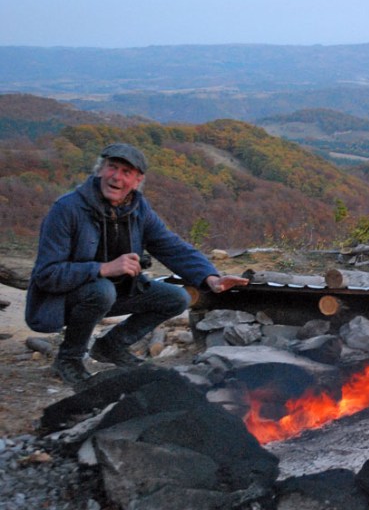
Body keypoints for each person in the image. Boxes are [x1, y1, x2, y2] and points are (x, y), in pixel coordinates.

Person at [26, 142, 248, 386]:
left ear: (137, 180)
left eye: (126, 172)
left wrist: (210, 277)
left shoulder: (137, 209)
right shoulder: (67, 209)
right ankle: (69, 358)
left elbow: (171, 246)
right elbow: (47, 274)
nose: (116, 177)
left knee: (177, 298)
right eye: (112, 168)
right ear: (100, 170)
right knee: (102, 290)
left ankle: (110, 346)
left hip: (116, 293)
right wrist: (103, 269)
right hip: (64, 300)